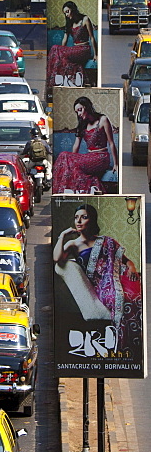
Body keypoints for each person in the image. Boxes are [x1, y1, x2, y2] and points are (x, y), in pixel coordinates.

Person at [53, 203, 141, 350]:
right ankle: (121, 343)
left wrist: (131, 267)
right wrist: (62, 236)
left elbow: (126, 260)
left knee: (136, 296)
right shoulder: (73, 244)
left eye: (84, 217)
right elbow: (57, 258)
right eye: (76, 218)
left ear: (92, 220)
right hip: (100, 285)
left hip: (118, 277)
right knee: (117, 297)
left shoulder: (106, 240)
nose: (79, 221)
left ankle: (136, 341)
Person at [53, 96, 118, 195]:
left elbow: (111, 143)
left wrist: (116, 164)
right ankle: (62, 193)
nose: (79, 114)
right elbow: (76, 145)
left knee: (65, 157)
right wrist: (71, 161)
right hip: (89, 156)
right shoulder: (82, 125)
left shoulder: (103, 120)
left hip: (101, 158)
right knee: (64, 155)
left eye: (80, 110)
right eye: (76, 112)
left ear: (86, 107)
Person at [47, 0, 97, 89]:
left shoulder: (85, 19)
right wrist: (61, 50)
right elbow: (64, 39)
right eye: (65, 13)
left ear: (73, 9)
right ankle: (56, 81)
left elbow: (92, 37)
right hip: (74, 49)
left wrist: (96, 54)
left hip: (84, 49)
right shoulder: (69, 23)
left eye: (67, 11)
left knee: (56, 49)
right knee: (56, 49)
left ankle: (54, 81)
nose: (66, 14)